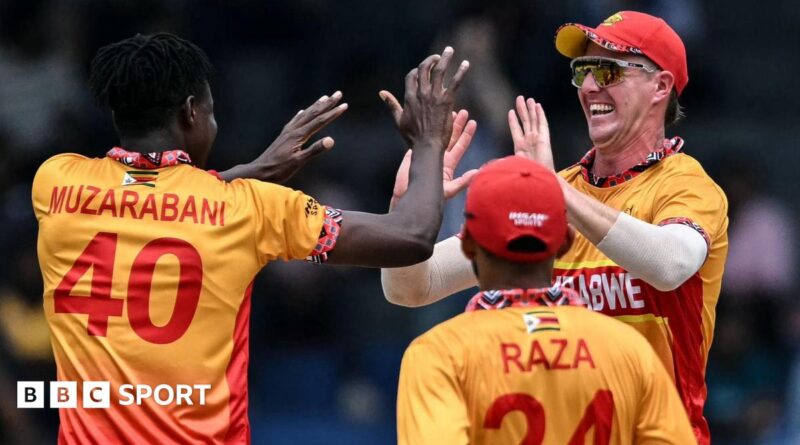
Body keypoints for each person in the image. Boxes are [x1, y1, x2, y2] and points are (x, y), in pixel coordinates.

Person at [32, 33, 469, 444]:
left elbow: (146, 198)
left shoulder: (55, 183)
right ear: (190, 112)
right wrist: (428, 140)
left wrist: (249, 171)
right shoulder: (249, 209)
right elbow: (411, 237)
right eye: (211, 111)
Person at [382, 11, 727, 444]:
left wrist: (553, 193)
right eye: (583, 70)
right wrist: (406, 210)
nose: (588, 87)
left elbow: (670, 264)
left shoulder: (687, 185)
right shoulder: (553, 188)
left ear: (660, 86)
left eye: (608, 70)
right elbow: (412, 288)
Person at [396, 155, 696, 444]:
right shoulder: (631, 351)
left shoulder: (439, 355)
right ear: (566, 243)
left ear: (469, 244)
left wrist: (404, 214)